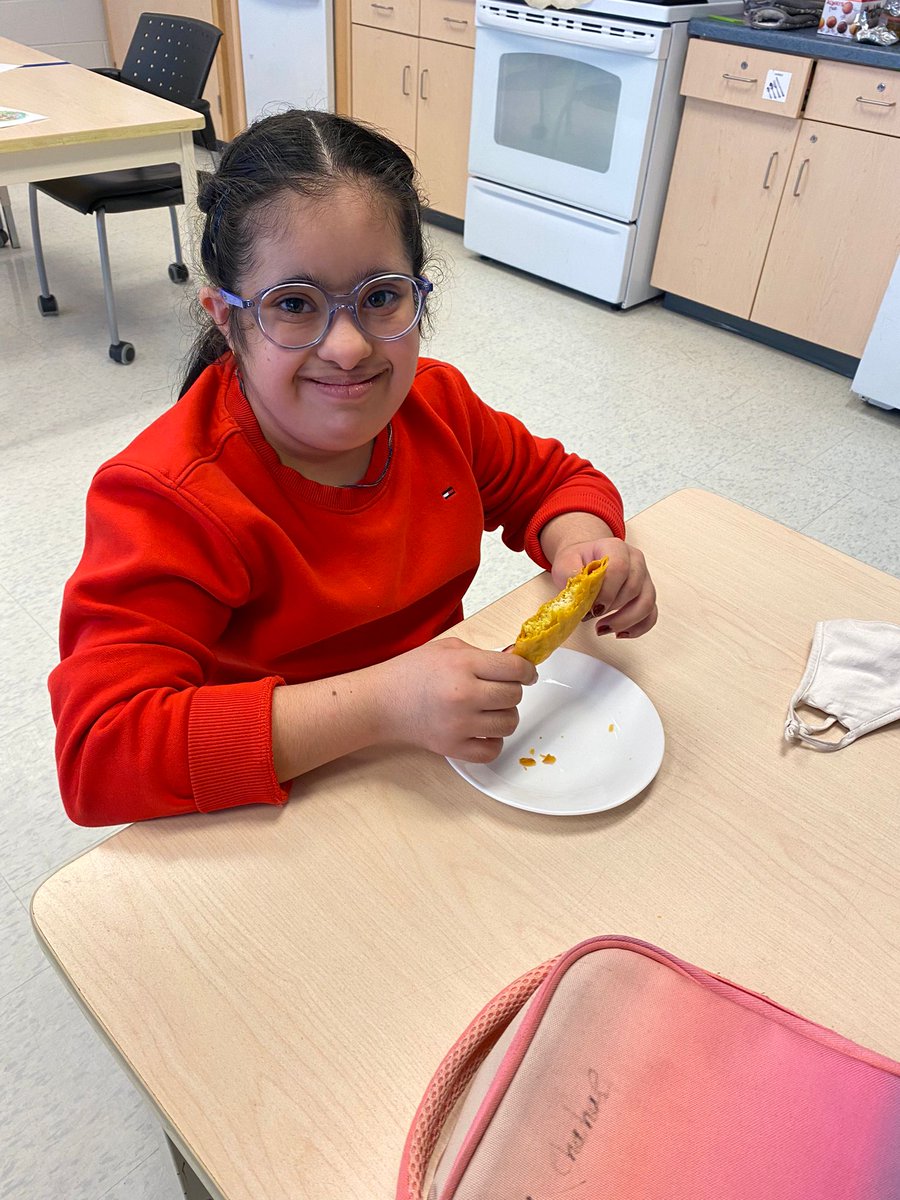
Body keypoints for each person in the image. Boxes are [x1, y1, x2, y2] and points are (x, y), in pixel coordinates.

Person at [48, 109, 657, 828]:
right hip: (272, 811)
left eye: (380, 297)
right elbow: (100, 756)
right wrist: (383, 704)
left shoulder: (437, 407)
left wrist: (585, 543)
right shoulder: (167, 497)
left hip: (434, 777)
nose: (348, 346)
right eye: (295, 305)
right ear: (226, 315)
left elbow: (553, 483)